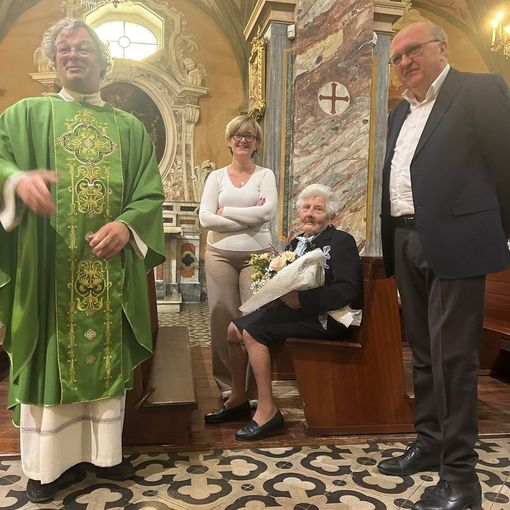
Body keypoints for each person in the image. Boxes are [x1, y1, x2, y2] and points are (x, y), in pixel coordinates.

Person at [0, 19, 165, 503]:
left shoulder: (129, 128)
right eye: (63, 49)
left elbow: (148, 194)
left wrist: (127, 226)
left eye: (83, 48)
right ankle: (46, 467)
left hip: (107, 269)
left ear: (102, 60)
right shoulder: (25, 115)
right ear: (54, 61)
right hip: (46, 269)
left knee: (105, 354)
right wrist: (16, 181)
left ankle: (103, 455)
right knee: (49, 352)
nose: (72, 55)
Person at [379, 21, 510, 510]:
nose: (404, 62)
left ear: (442, 48)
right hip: (406, 238)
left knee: (453, 360)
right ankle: (430, 442)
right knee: (423, 354)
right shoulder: (399, 112)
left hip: (458, 239)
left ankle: (460, 479)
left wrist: (501, 233)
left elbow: (506, 166)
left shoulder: (479, 90)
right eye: (397, 57)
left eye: (413, 50)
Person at [204, 184, 362, 440]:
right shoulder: (296, 243)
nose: (310, 214)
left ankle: (268, 411)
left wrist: (302, 300)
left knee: (253, 332)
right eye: (306, 208)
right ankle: (238, 398)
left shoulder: (341, 241)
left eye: (318, 209)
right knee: (234, 329)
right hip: (297, 313)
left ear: (330, 214)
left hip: (326, 318)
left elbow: (348, 290)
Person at [199, 115, 277, 402]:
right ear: (229, 141)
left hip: (257, 255)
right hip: (219, 255)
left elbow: (267, 213)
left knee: (254, 318)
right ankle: (228, 385)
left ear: (257, 144)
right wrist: (249, 218)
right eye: (238, 135)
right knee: (222, 315)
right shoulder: (216, 177)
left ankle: (253, 388)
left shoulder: (265, 176)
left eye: (250, 136)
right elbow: (206, 218)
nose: (243, 140)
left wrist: (227, 212)